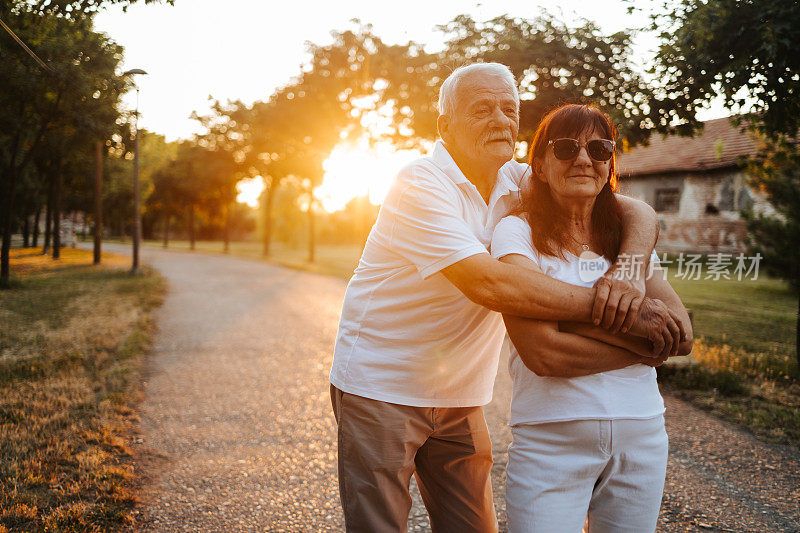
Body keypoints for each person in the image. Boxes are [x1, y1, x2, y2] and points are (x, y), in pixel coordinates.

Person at [329, 63, 685, 533]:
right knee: (380, 526)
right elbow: (491, 284)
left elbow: (633, 209)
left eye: (508, 110)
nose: (500, 120)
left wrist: (629, 273)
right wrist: (627, 318)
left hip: (459, 395)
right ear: (445, 125)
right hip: (381, 387)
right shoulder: (417, 184)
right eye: (481, 109)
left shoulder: (518, 178)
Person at [491, 103, 693, 533]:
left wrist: (573, 321)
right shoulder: (516, 232)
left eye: (599, 148)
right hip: (551, 439)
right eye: (565, 148)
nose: (584, 158)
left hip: (642, 435)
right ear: (540, 167)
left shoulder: (626, 238)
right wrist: (642, 338)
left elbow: (680, 335)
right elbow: (544, 353)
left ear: (609, 165)